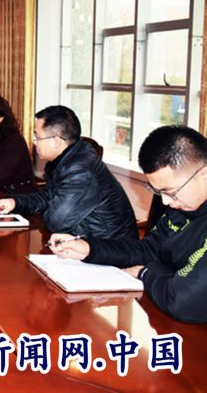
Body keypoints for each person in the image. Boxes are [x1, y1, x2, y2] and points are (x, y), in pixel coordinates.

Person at [49, 125, 207, 323]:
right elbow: (149, 250)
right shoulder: (182, 205)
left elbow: (183, 302)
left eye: (171, 192)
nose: (166, 202)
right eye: (159, 192)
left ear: (204, 173)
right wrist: (90, 248)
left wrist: (145, 272)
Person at [0, 105, 137, 239]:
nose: (35, 143)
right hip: (86, 242)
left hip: (110, 250)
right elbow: (48, 196)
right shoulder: (67, 159)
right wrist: (15, 202)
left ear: (56, 141)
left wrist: (47, 206)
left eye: (38, 137)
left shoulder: (80, 170)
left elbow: (56, 222)